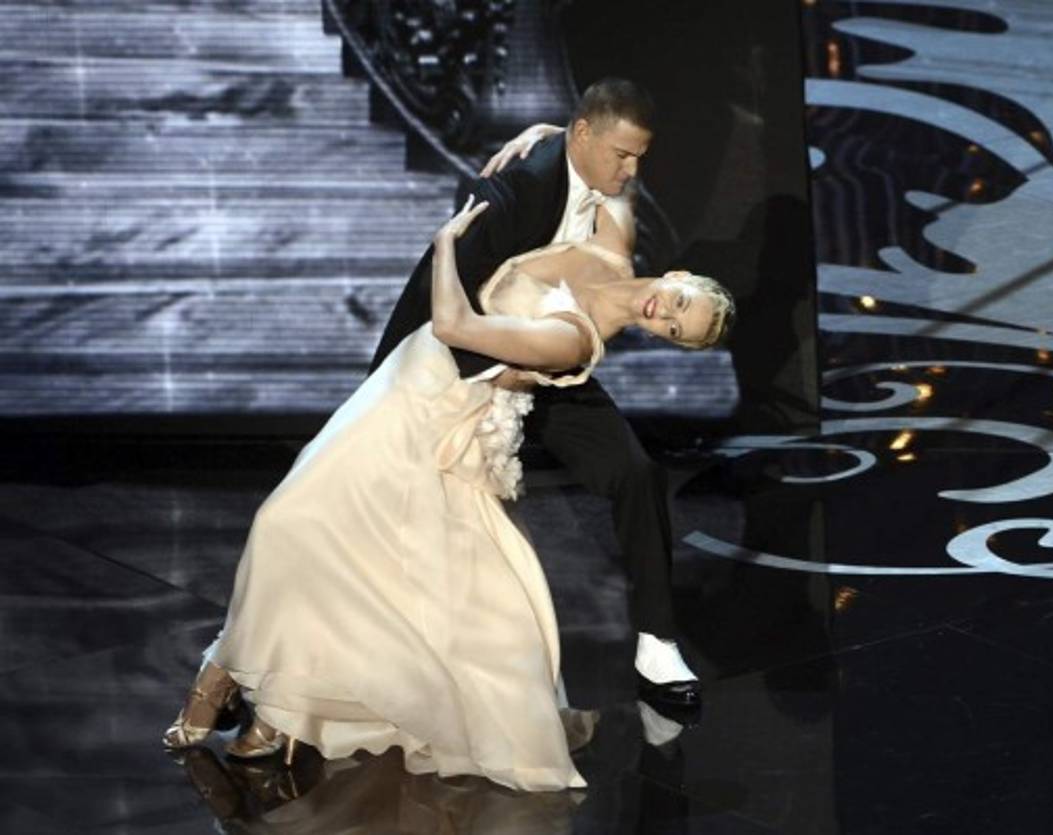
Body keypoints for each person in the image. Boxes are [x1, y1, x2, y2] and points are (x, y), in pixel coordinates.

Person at [162, 190, 736, 791]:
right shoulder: (612, 250)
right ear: (678, 275)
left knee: (299, 530)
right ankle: (282, 707)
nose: (661, 313)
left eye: (674, 327)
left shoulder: (576, 340)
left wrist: (445, 246)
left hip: (434, 411)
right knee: (313, 534)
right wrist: (541, 133)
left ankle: (231, 684)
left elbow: (455, 326)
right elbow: (609, 160)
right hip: (403, 383)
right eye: (676, 302)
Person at [371, 79, 707, 712]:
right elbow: (443, 301)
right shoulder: (512, 190)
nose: (632, 170)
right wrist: (490, 376)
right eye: (622, 156)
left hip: (551, 363)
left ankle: (657, 643)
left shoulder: (609, 187)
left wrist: (554, 130)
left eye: (639, 157)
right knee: (378, 507)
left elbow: (604, 184)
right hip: (463, 365)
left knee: (635, 473)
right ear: (584, 137)